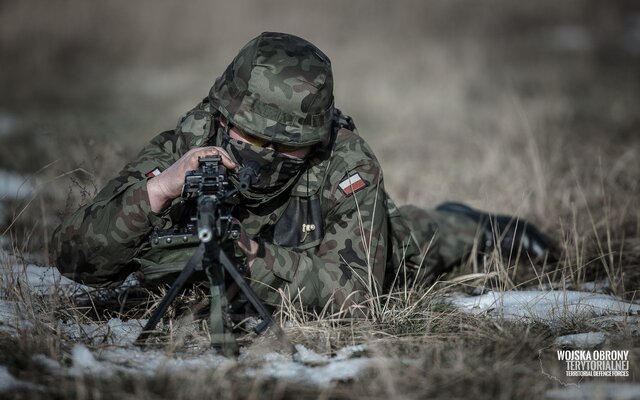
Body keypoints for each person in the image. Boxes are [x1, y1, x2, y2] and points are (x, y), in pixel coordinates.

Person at [51, 32, 555, 314]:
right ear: (223, 117)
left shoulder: (346, 162)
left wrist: (251, 256)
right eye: (250, 140)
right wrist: (157, 193)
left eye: (285, 147)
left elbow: (356, 295)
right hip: (279, 263)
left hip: (369, 252)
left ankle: (472, 223)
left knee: (416, 241)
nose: (265, 159)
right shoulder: (187, 144)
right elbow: (74, 258)